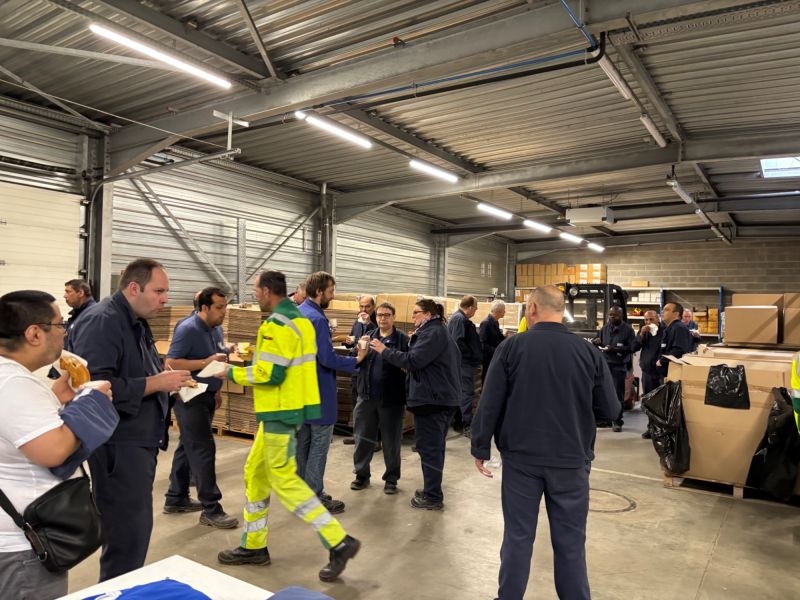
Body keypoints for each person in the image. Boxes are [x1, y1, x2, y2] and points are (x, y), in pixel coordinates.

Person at [471, 286, 618, 600]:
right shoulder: (588, 352)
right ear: (561, 310)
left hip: (521, 461)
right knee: (570, 543)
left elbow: (490, 401)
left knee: (518, 537)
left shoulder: (511, 348)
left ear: (533, 308)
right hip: (571, 461)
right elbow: (610, 409)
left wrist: (480, 446)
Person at [217, 270, 361, 582]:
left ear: (268, 291)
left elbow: (270, 374)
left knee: (284, 481)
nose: (254, 294)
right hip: (290, 410)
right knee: (255, 473)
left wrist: (229, 372)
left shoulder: (276, 324)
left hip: (279, 412)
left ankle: (338, 541)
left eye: (256, 289)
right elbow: (292, 365)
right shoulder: (301, 321)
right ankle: (254, 545)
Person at [69, 259, 192, 581]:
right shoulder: (103, 321)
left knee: (134, 531)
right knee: (126, 536)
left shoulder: (134, 320)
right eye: (159, 291)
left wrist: (165, 379)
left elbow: (137, 369)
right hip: (119, 444)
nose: (165, 299)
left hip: (139, 439)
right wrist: (156, 383)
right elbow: (94, 387)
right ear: (134, 288)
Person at [0, 291, 116, 599]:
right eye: (59, 324)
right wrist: (90, 403)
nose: (65, 331)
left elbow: (18, 431)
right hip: (23, 547)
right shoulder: (14, 384)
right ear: (34, 333)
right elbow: (54, 451)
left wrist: (57, 402)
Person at [370, 298, 460, 510]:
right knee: (434, 448)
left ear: (428, 314)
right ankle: (431, 489)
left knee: (429, 449)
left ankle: (433, 496)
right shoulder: (435, 331)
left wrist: (384, 350)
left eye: (416, 313)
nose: (412, 317)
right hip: (438, 398)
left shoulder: (433, 333)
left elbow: (413, 361)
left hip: (432, 401)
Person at [163, 287, 238, 529]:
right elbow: (171, 362)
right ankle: (211, 509)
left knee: (188, 446)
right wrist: (206, 362)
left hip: (207, 395)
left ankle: (176, 497)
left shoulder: (216, 328)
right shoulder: (188, 328)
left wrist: (217, 390)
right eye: (219, 307)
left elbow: (216, 357)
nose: (224, 312)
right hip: (189, 396)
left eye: (225, 307)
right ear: (204, 307)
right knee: (204, 449)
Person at [298, 272, 366, 514]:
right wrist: (356, 360)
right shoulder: (317, 319)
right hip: (318, 392)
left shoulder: (298, 313)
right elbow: (326, 358)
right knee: (318, 445)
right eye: (331, 291)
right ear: (319, 292)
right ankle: (314, 497)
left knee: (303, 444)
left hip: (300, 392)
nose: (333, 296)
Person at [350, 301, 409, 494]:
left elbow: (409, 363)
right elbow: (355, 359)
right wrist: (359, 350)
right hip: (366, 397)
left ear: (394, 317)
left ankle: (391, 479)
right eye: (380, 315)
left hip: (391, 399)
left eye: (387, 315)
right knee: (362, 439)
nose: (382, 318)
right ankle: (361, 475)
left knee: (391, 442)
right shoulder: (368, 336)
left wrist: (387, 351)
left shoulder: (402, 340)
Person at [592, 305, 635, 432]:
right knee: (603, 392)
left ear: (621, 316)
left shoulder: (628, 330)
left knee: (617, 394)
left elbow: (631, 348)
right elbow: (598, 339)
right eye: (610, 315)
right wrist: (597, 341)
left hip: (619, 366)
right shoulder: (605, 328)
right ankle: (606, 419)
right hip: (605, 365)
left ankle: (617, 420)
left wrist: (615, 349)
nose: (611, 317)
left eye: (614, 315)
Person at [342, 295, 378, 445]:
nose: (363, 309)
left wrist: (369, 324)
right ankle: (357, 435)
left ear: (373, 307)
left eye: (367, 306)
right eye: (361, 306)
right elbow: (353, 341)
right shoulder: (357, 322)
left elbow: (378, 339)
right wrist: (349, 342)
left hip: (370, 368)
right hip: (357, 367)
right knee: (356, 402)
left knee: (370, 405)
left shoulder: (378, 321)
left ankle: (374, 440)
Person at [447, 295, 482, 437]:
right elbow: (458, 342)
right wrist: (471, 355)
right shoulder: (459, 319)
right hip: (464, 364)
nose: (475, 311)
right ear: (470, 307)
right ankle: (466, 425)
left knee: (463, 393)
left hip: (463, 363)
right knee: (467, 394)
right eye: (475, 309)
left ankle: (460, 423)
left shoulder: (460, 319)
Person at [631, 310, 664, 439]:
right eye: (646, 320)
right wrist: (641, 334)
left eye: (651, 319)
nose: (649, 322)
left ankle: (661, 429)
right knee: (649, 401)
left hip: (661, 373)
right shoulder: (644, 332)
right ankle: (651, 428)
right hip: (647, 372)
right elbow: (633, 347)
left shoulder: (665, 331)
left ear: (658, 319)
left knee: (661, 401)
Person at [656, 302, 694, 379]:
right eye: (663, 310)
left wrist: (662, 361)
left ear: (676, 314)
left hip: (674, 374)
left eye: (666, 310)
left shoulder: (679, 328)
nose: (662, 312)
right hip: (667, 373)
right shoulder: (671, 328)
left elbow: (679, 350)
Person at [479, 300, 506, 386]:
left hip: (494, 356)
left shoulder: (495, 322)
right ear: (499, 311)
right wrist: (496, 350)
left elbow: (498, 337)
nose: (505, 312)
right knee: (487, 378)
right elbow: (482, 344)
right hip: (488, 358)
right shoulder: (486, 323)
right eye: (504, 310)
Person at [63, 279, 96, 344]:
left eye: (68, 292)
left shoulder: (91, 315)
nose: (64, 296)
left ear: (81, 293)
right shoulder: (78, 313)